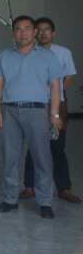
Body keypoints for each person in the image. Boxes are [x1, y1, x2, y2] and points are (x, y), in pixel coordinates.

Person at [0, 16, 63, 219]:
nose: (22, 33)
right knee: (10, 157)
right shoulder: (5, 56)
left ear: (34, 32)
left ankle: (45, 202)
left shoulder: (48, 56)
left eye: (26, 28)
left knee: (42, 157)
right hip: (10, 111)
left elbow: (55, 86)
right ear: (13, 33)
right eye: (18, 29)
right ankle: (10, 199)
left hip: (37, 111)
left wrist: (55, 113)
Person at [22, 17, 80, 203]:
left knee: (57, 146)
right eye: (39, 30)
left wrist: (55, 92)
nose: (43, 33)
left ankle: (64, 188)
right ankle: (29, 186)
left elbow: (69, 77)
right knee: (33, 146)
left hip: (58, 104)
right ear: (34, 33)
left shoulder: (63, 52)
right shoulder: (28, 53)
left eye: (47, 29)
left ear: (53, 33)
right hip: (35, 104)